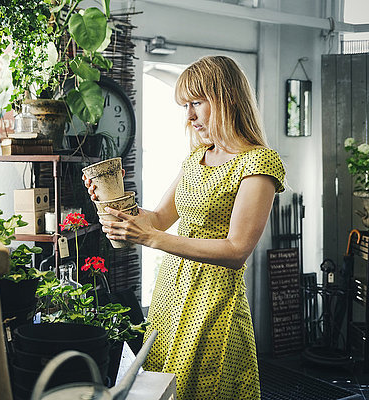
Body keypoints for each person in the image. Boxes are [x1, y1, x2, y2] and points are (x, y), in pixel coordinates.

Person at [83, 55, 285, 399]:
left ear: (228, 99)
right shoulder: (196, 158)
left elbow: (236, 251)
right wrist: (111, 203)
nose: (189, 116)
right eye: (185, 106)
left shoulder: (258, 162)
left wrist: (150, 237)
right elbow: (158, 219)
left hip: (214, 302)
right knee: (163, 389)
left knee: (202, 390)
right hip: (170, 294)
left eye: (196, 103)